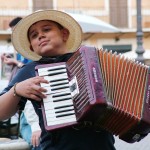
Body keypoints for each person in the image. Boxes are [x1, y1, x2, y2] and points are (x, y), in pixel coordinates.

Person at [0, 9, 116, 150]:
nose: (41, 36)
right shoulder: (30, 70)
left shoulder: (92, 60)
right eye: (34, 35)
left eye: (47, 29)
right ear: (32, 47)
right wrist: (16, 90)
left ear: (64, 34)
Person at [1, 17, 41, 149]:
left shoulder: (36, 58)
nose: (41, 36)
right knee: (39, 142)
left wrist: (16, 63)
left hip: (34, 113)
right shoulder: (27, 66)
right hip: (29, 114)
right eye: (34, 35)